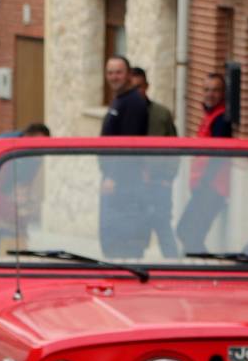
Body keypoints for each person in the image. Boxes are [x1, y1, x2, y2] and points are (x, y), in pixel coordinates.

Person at [175, 72, 236, 254]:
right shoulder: (210, 116)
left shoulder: (221, 120)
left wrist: (204, 183)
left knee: (187, 232)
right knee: (188, 233)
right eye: (207, 90)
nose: (210, 94)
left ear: (223, 93)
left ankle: (201, 269)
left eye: (216, 90)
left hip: (211, 188)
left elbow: (218, 155)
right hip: (204, 187)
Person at [99, 55, 150, 256]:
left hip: (124, 186)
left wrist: (113, 177)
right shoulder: (120, 100)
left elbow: (129, 145)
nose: (114, 77)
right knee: (111, 243)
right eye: (110, 73)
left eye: (119, 72)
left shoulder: (134, 102)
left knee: (123, 243)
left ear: (128, 74)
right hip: (116, 184)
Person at [130, 67, 180, 258]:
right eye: (132, 88)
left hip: (159, 186)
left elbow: (175, 150)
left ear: (147, 87)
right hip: (134, 189)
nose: (137, 92)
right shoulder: (125, 114)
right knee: (136, 235)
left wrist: (168, 178)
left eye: (140, 87)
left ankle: (176, 273)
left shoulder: (161, 114)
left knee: (164, 229)